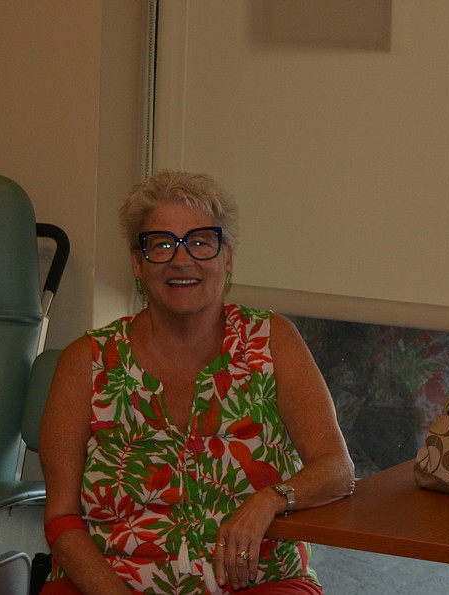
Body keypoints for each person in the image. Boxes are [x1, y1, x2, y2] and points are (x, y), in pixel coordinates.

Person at [39, 170, 356, 594]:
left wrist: (270, 499)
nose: (181, 259)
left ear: (227, 259)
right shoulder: (85, 361)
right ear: (138, 262)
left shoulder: (272, 339)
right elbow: (61, 518)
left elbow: (336, 469)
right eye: (162, 244)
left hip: (257, 582)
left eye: (201, 241)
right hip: (108, 583)